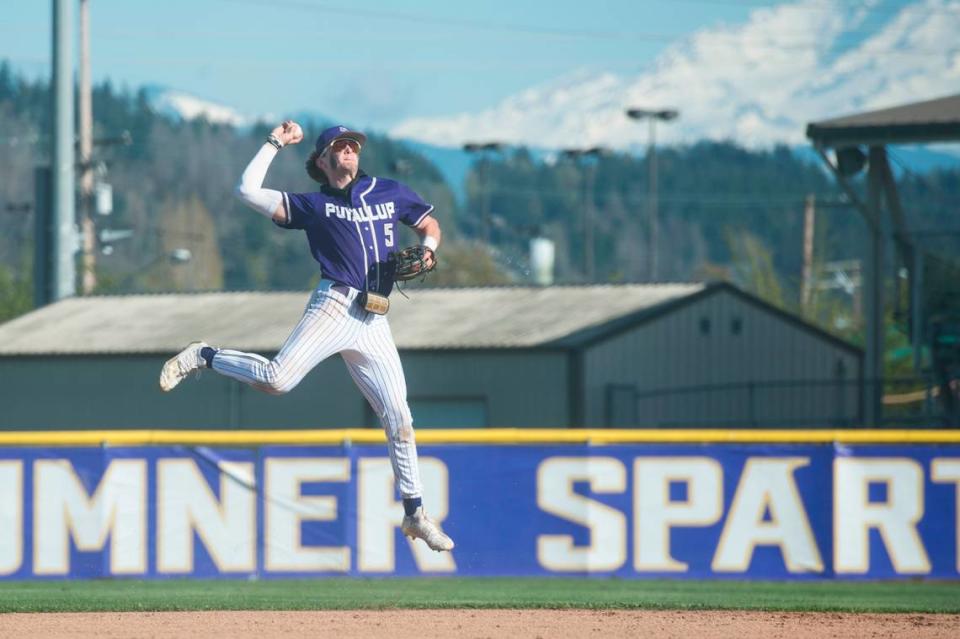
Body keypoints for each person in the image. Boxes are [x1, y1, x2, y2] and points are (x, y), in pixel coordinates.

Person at [158, 121, 453, 552]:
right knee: (278, 379)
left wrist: (429, 250)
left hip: (375, 319)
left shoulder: (389, 192)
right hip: (334, 305)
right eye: (339, 146)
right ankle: (204, 355)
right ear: (321, 160)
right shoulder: (314, 206)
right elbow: (247, 190)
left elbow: (430, 225)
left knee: (400, 418)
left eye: (353, 145)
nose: (349, 151)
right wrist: (274, 143)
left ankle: (415, 514)